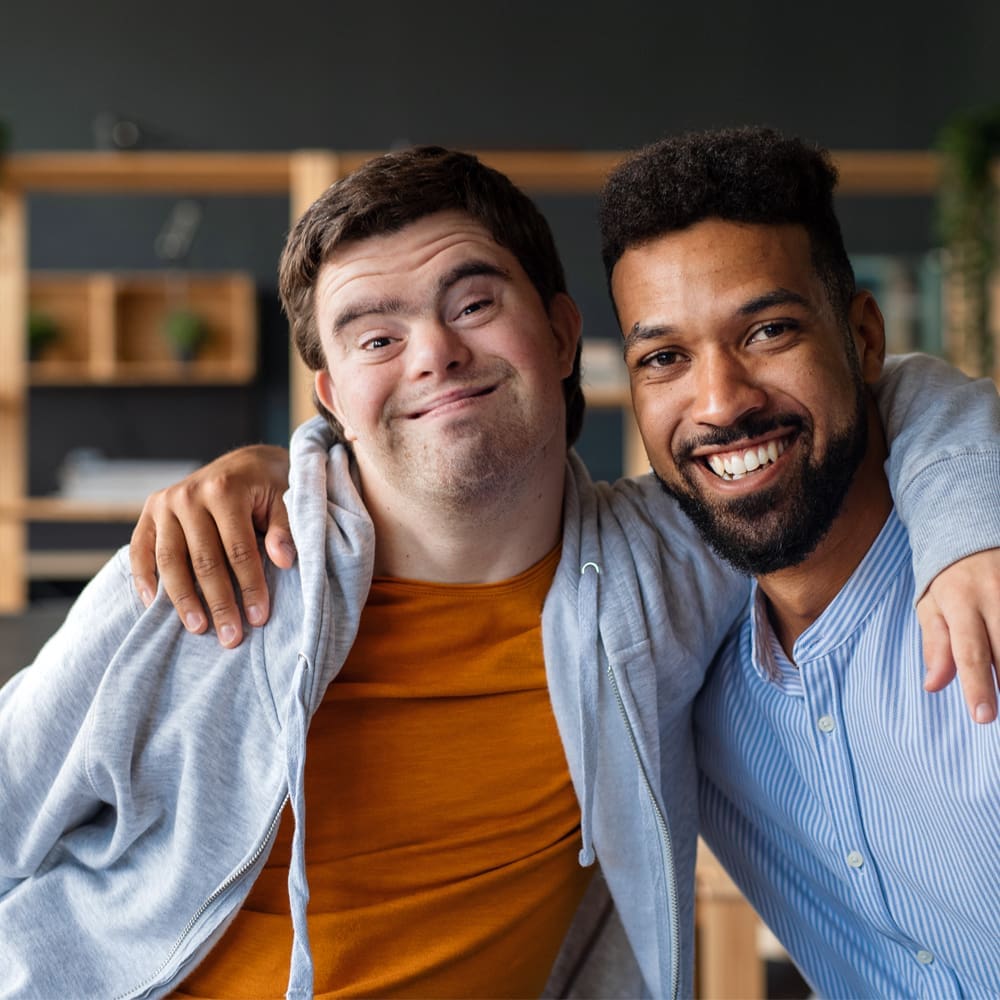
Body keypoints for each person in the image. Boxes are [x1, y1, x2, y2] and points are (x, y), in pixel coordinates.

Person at [3, 145, 996, 1000]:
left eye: (472, 302)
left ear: (563, 334)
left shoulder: (672, 566)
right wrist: (271, 465)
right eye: (376, 336)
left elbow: (881, 392)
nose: (433, 353)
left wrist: (968, 527)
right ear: (332, 394)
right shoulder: (207, 573)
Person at [599, 128, 1000, 995]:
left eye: (769, 330)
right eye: (664, 358)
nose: (720, 404)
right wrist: (289, 470)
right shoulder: (680, 663)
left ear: (861, 338)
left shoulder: (984, 575)